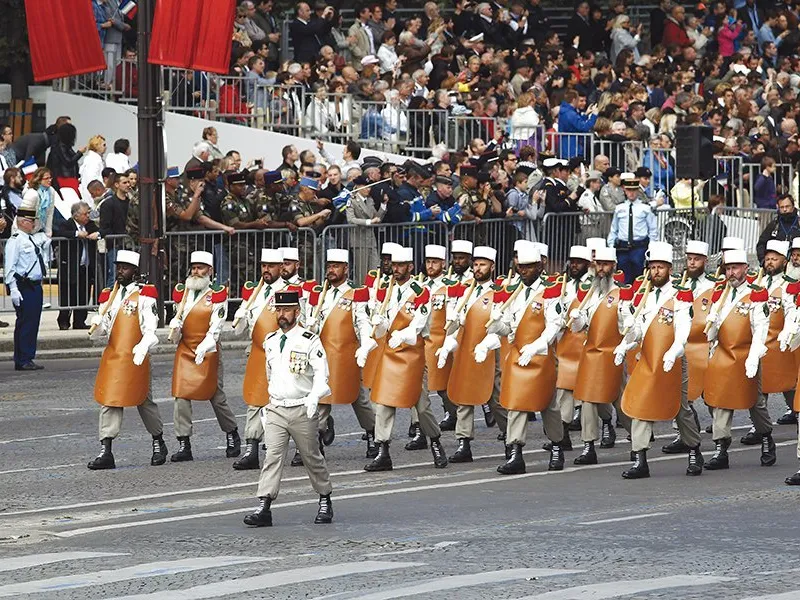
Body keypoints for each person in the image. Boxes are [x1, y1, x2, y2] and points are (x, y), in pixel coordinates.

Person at [243, 290, 334, 527]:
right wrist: (270, 404)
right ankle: (264, 505)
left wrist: (314, 397)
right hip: (277, 409)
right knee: (272, 457)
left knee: (311, 457)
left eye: (287, 310)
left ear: (297, 311)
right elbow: (270, 375)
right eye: (279, 310)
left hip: (302, 409)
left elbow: (323, 376)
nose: (281, 315)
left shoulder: (309, 340)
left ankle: (325, 498)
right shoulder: (271, 341)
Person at [475, 244, 567, 473]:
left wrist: (536, 347)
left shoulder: (550, 291)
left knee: (547, 404)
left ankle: (557, 446)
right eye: (520, 267)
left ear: (538, 266)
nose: (523, 271)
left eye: (528, 267)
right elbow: (508, 328)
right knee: (516, 402)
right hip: (517, 354)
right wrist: (496, 325)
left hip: (541, 356)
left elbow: (554, 326)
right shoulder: (513, 291)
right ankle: (515, 453)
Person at [614, 241, 701, 479]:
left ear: (670, 269)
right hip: (648, 361)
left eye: (660, 267)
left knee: (679, 410)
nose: (656, 272)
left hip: (674, 362)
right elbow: (638, 331)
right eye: (652, 267)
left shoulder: (680, 296)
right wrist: (625, 344)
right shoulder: (646, 297)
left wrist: (674, 352)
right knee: (641, 408)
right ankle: (640, 459)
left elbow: (683, 330)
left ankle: (693, 449)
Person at [364, 246, 448, 471]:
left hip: (411, 356)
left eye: (401, 265)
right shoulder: (386, 289)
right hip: (390, 355)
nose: (396, 269)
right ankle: (383, 451)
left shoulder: (421, 291)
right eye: (394, 265)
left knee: (421, 406)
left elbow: (418, 326)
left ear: (410, 266)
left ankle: (435, 440)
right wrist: (378, 323)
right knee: (383, 402)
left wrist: (402, 334)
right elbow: (381, 327)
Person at [87, 250, 166, 469]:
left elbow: (151, 328)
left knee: (143, 400)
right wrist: (96, 324)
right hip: (113, 356)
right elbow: (103, 331)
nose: (119, 271)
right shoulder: (109, 295)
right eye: (118, 267)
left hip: (136, 357)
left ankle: (158, 440)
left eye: (125, 267)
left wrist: (143, 346)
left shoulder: (144, 295)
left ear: (135, 272)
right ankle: (106, 450)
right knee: (109, 400)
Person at [702, 249, 775, 471]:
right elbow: (711, 334)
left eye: (735, 268)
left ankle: (765, 437)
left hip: (745, 355)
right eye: (727, 269)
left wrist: (753, 358)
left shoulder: (756, 295)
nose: (731, 273)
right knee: (721, 402)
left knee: (754, 402)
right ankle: (721, 448)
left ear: (745, 268)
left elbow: (761, 330)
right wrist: (712, 322)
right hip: (724, 357)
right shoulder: (721, 294)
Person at [304, 249, 378, 461]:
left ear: (346, 268)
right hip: (324, 352)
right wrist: (310, 325)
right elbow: (314, 319)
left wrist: (365, 345)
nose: (331, 270)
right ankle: (317, 439)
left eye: (336, 266)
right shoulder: (320, 292)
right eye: (329, 266)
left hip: (347, 353)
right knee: (322, 396)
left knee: (358, 397)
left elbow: (361, 320)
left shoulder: (357, 292)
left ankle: (372, 433)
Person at [168, 251, 241, 462]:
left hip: (208, 348)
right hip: (185, 348)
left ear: (210, 270)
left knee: (215, 395)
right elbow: (179, 317)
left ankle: (231, 432)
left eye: (201, 268)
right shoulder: (181, 293)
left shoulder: (217, 294)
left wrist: (209, 341)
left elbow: (217, 324)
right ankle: (184, 443)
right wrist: (175, 327)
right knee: (181, 395)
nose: (196, 272)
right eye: (194, 268)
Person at [436, 246, 507, 462]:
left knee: (496, 398)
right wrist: (448, 343)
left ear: (492, 267)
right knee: (463, 394)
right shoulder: (464, 290)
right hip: (466, 349)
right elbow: (454, 323)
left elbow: (504, 326)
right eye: (475, 264)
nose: (477, 268)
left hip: (490, 350)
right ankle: (463, 443)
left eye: (482, 265)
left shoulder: (500, 291)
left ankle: (510, 436)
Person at [231, 248, 291, 470]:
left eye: (271, 266)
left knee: (281, 401)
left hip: (279, 355)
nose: (266, 270)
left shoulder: (288, 291)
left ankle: (302, 445)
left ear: (280, 268)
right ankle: (251, 449)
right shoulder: (253, 293)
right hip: (258, 353)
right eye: (263, 266)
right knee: (255, 400)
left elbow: (292, 323)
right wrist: (241, 317)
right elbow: (239, 332)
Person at [571, 247, 628, 464]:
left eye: (605, 265)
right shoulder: (591, 292)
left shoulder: (622, 292)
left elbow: (625, 328)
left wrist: (626, 320)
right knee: (587, 399)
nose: (601, 269)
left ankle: (637, 439)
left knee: (619, 401)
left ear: (614, 266)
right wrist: (576, 318)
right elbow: (579, 326)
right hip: (592, 354)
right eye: (598, 265)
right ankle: (588, 446)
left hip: (613, 355)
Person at [662, 240, 717, 454]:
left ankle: (722, 429)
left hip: (704, 345)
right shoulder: (677, 284)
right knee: (683, 395)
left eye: (696, 259)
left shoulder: (713, 286)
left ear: (704, 261)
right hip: (683, 345)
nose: (692, 263)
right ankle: (683, 435)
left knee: (711, 394)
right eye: (689, 259)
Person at [4, 207, 51, 371]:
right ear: (23, 221)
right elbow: (10, 266)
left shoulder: (30, 239)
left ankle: (25, 357)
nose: (34, 224)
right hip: (24, 286)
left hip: (35, 286)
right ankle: (23, 358)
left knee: (32, 322)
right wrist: (13, 288)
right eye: (32, 221)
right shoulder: (15, 240)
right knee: (26, 323)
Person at [54, 201, 99, 330]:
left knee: (83, 295)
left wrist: (97, 234)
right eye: (85, 214)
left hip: (85, 266)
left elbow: (103, 230)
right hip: (69, 267)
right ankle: (63, 321)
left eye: (88, 213)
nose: (87, 216)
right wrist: (76, 234)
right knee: (67, 296)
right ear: (76, 215)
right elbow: (59, 233)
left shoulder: (90, 225)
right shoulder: (66, 224)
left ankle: (79, 321)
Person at [607, 173, 658, 284]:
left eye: (634, 190)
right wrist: (611, 247)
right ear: (625, 190)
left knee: (639, 276)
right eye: (629, 190)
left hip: (639, 247)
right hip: (622, 248)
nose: (631, 193)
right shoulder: (619, 208)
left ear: (638, 191)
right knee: (623, 277)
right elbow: (614, 229)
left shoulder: (645, 208)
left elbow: (653, 230)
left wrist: (651, 249)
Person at [345, 175, 385, 284]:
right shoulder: (352, 200)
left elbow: (376, 217)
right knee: (362, 273)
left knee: (374, 271)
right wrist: (368, 222)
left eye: (369, 187)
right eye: (365, 187)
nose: (368, 189)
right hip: (359, 240)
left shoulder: (370, 200)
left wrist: (383, 205)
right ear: (358, 187)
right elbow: (351, 219)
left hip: (371, 240)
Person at [755, 194, 800, 262]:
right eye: (782, 207)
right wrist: (763, 260)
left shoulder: (799, 223)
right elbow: (761, 244)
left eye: (787, 206)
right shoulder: (774, 224)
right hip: (777, 265)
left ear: (793, 207)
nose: (785, 209)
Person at [20, 168, 56, 237]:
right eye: (46, 178)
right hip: (24, 231)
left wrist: (48, 234)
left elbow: (50, 214)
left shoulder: (51, 191)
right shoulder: (32, 193)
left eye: (50, 178)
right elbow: (23, 216)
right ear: (39, 180)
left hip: (38, 230)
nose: (50, 180)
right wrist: (26, 235)